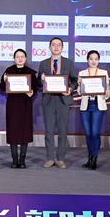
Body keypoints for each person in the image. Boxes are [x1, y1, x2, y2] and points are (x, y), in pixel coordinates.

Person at [37, 37, 78, 169]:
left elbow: (74, 79)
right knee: (49, 130)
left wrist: (70, 88)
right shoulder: (43, 63)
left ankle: (60, 159)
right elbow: (38, 83)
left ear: (62, 47)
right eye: (53, 45)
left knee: (62, 130)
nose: (56, 47)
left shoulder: (68, 62)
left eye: (58, 45)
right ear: (49, 47)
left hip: (63, 99)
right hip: (48, 99)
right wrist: (41, 79)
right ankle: (50, 158)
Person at [0, 49, 37, 169]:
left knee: (24, 132)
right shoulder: (9, 71)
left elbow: (35, 88)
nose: (20, 59)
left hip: (25, 104)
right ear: (14, 59)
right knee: (13, 132)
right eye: (17, 56)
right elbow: (2, 87)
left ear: (25, 58)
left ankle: (22, 160)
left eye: (22, 56)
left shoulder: (30, 72)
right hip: (13, 105)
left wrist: (32, 92)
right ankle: (14, 159)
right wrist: (4, 80)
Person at [77, 50, 110, 170]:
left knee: (95, 133)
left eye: (96, 59)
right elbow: (80, 93)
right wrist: (79, 84)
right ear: (87, 60)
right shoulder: (82, 73)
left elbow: (107, 92)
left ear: (99, 60)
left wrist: (107, 93)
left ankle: (95, 159)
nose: (93, 61)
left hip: (97, 105)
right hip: (86, 106)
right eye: (91, 59)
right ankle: (90, 158)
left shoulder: (103, 73)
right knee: (88, 133)